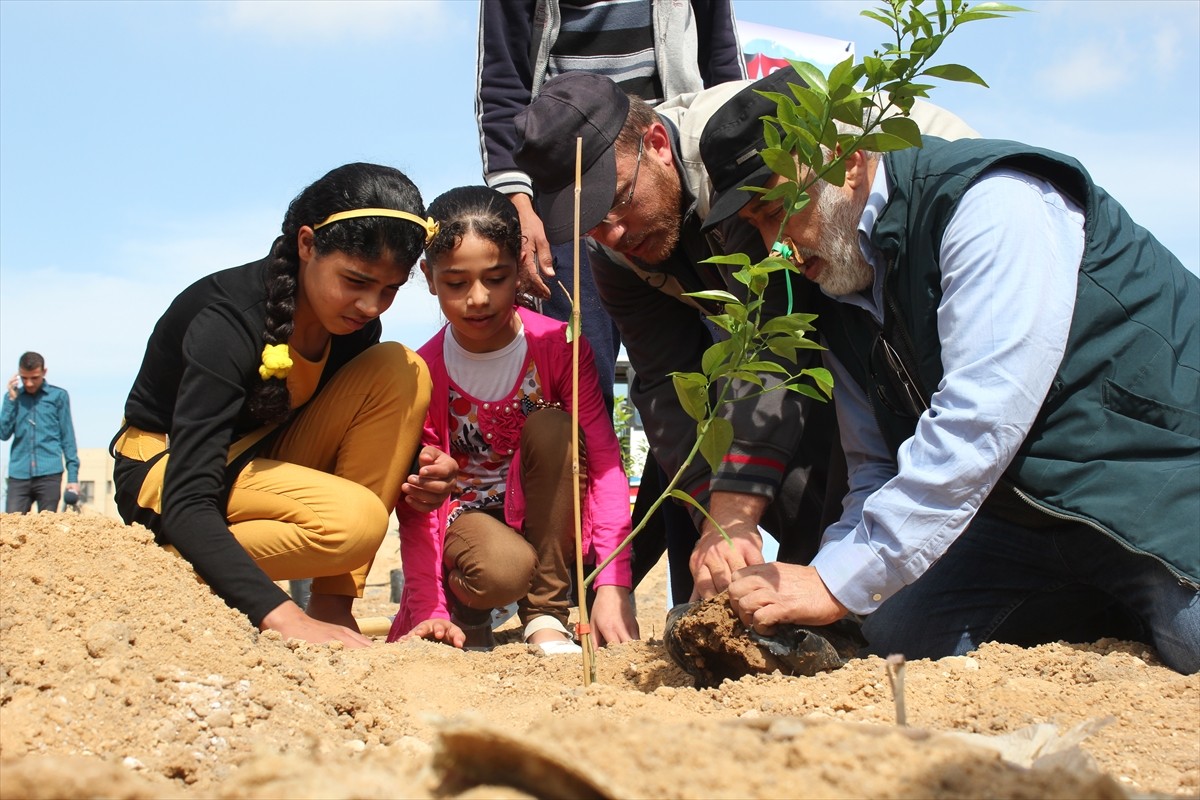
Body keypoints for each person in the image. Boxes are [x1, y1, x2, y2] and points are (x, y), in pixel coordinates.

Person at [711, 126, 1200, 674]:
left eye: (775, 210)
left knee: (1192, 639)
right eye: (755, 226)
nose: (773, 248)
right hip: (1024, 518)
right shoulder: (842, 291)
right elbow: (873, 467)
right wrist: (829, 579)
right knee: (897, 629)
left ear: (845, 164)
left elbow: (981, 416)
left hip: (1151, 475)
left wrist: (834, 582)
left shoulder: (990, 202)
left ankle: (1145, 607)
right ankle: (1113, 607)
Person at [511, 68, 978, 604]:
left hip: (921, 261)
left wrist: (734, 516)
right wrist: (714, 518)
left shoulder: (739, 155)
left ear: (658, 145)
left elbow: (776, 343)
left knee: (816, 413)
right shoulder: (613, 248)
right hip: (838, 295)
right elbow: (666, 382)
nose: (610, 232)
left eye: (615, 201)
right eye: (588, 223)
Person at [110, 163, 457, 649]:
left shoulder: (354, 329)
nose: (371, 306)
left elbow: (359, 437)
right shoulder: (227, 321)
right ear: (307, 244)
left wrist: (422, 462)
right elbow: (190, 497)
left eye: (390, 290)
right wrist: (282, 616)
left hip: (259, 461)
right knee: (352, 523)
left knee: (401, 367)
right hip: (169, 477)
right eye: (355, 281)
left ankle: (333, 603)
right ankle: (161, 567)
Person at [387, 186, 638, 653]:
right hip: (471, 528)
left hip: (546, 522)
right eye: (456, 283)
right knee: (503, 567)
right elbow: (418, 506)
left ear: (518, 266)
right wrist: (430, 608)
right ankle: (468, 613)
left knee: (554, 428)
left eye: (496, 278)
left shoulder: (561, 346)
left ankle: (546, 613)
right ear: (428, 277)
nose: (477, 299)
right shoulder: (422, 372)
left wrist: (613, 580)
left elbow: (603, 461)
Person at [477, 0, 745, 409]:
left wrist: (731, 157)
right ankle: (589, 472)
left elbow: (721, 53)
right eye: (603, 225)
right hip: (563, 183)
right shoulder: (593, 227)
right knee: (580, 364)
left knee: (724, 342)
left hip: (666, 164)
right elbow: (501, 80)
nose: (613, 233)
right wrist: (520, 201)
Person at [2, 351, 79, 513]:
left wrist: (73, 478)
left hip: (49, 474)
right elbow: (3, 433)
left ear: (44, 372)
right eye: (24, 378)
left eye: (34, 378)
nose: (29, 383)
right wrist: (10, 400)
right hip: (18, 475)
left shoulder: (59, 396)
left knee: (47, 529)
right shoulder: (12, 397)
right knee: (12, 527)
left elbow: (68, 438)